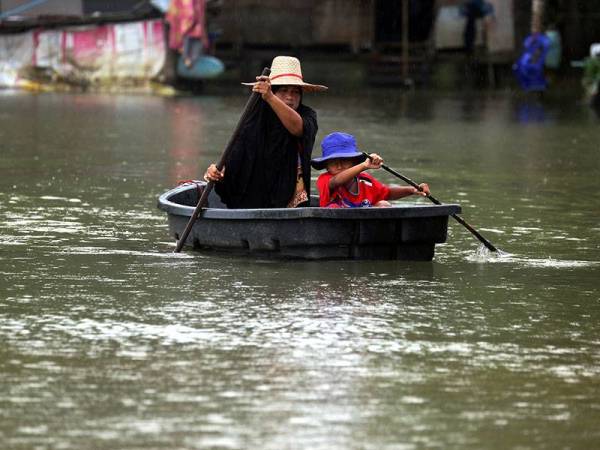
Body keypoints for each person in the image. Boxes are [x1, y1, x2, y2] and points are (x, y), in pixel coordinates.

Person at [204, 56, 327, 208]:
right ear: (274, 91)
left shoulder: (307, 115)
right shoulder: (256, 115)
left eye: (295, 92)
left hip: (289, 196)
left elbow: (297, 128)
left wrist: (269, 97)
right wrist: (219, 171)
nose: (290, 97)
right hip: (253, 194)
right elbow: (238, 152)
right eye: (283, 90)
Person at [311, 132, 430, 208]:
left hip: (363, 232)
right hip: (338, 231)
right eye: (333, 162)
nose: (339, 165)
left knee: (383, 204)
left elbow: (387, 193)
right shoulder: (325, 180)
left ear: (354, 162)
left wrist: (413, 190)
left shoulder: (366, 181)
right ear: (326, 166)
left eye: (345, 160)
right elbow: (337, 181)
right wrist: (364, 165)